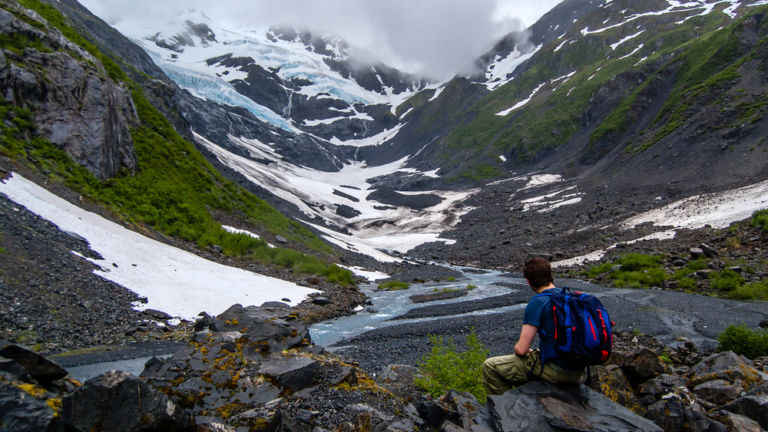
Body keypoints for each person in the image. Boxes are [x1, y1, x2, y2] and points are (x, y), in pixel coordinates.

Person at [482, 257, 584, 395]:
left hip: (556, 371)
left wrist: (521, 349)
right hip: (578, 369)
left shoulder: (538, 302)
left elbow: (521, 350)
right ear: (550, 275)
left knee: (490, 367)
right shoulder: (569, 297)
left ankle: (503, 410)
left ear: (528, 281)